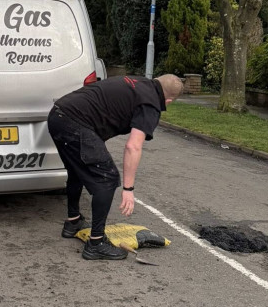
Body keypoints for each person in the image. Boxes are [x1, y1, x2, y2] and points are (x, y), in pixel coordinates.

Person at [47, 74, 184, 259]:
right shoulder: (150, 104)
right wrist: (128, 188)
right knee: (107, 178)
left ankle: (73, 222)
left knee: (77, 169)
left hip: (58, 114)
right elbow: (133, 146)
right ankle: (95, 244)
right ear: (168, 100)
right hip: (74, 122)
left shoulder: (139, 82)